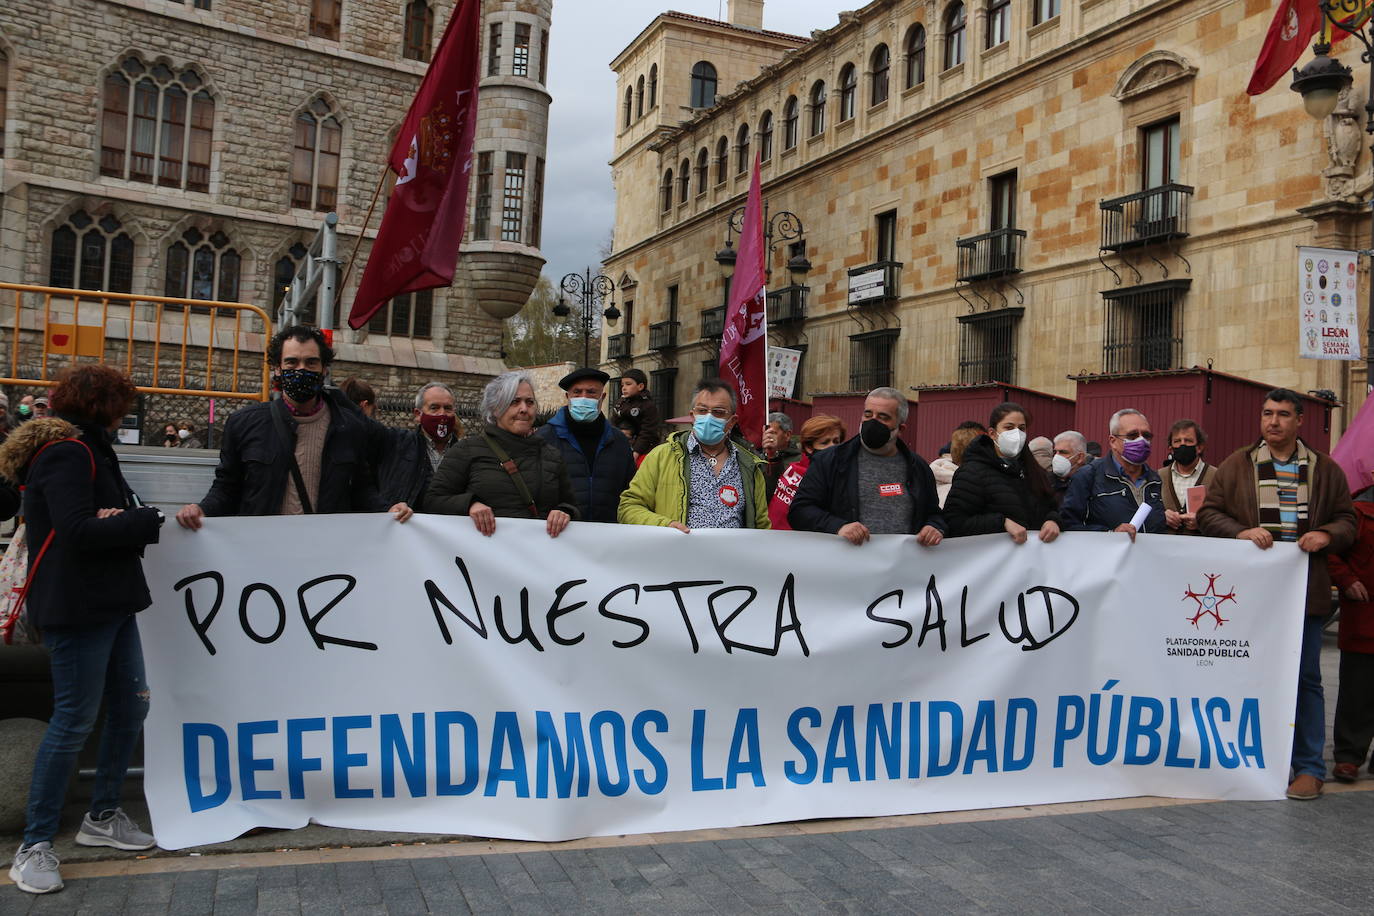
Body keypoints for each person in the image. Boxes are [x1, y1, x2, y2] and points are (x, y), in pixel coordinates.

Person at [0, 365, 165, 895]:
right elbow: (77, 529)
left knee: (131, 705)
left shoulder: (89, 448)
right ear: (102, 405)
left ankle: (103, 815)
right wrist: (141, 521)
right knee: (74, 718)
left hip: (110, 601)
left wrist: (121, 517)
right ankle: (35, 845)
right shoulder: (70, 453)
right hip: (79, 607)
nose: (125, 415)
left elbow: (95, 523)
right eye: (121, 405)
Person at [1199, 388, 1356, 801]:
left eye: (1283, 415)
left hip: (1305, 593)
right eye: (1267, 413)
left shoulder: (1325, 469)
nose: (1273, 422)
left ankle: (1308, 768)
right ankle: (1248, 760)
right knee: (1246, 678)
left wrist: (1326, 534)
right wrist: (1241, 531)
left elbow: (1347, 522)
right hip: (1250, 598)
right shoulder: (1237, 465)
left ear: (1300, 421)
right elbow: (1209, 515)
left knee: (1305, 680)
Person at [176, 325, 410, 528]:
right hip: (260, 549)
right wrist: (201, 510)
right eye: (291, 362)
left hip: (326, 550)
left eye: (311, 362)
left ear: (324, 369)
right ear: (277, 368)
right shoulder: (245, 424)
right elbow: (227, 487)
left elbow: (361, 489)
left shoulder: (350, 427)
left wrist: (388, 510)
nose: (301, 370)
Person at [426, 371, 578, 537]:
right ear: (495, 408)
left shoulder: (552, 456)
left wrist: (564, 512)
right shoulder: (466, 451)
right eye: (514, 402)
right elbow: (432, 501)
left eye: (530, 402)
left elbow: (571, 505)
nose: (524, 409)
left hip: (536, 557)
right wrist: (469, 504)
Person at [788, 387, 944, 547]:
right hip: (847, 565)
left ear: (900, 429)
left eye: (883, 417)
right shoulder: (829, 461)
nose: (872, 421)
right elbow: (800, 511)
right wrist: (837, 527)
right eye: (868, 414)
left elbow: (934, 514)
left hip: (900, 566)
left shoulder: (918, 468)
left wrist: (934, 527)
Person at [618, 378, 769, 530]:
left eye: (718, 412)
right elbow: (628, 507)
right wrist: (665, 525)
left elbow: (761, 524)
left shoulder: (749, 466)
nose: (709, 417)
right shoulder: (661, 457)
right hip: (679, 551)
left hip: (733, 554)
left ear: (732, 421)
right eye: (702, 410)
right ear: (692, 416)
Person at [944, 402, 1061, 544]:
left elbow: (1053, 507)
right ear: (992, 433)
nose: (1017, 433)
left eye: (1022, 428)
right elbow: (955, 521)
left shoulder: (1034, 472)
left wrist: (1053, 520)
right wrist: (1001, 523)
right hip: (995, 561)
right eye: (1009, 427)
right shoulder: (973, 472)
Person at [535, 368, 636, 524]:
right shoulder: (544, 438)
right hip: (557, 536)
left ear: (602, 397)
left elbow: (631, 493)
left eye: (591, 392)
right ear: (567, 397)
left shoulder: (619, 442)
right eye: (577, 392)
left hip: (607, 537)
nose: (584, 397)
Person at [1329, 486, 1374, 784]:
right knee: (1357, 689)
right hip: (1364, 613)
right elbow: (1331, 553)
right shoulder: (1356, 511)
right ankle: (1348, 756)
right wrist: (1347, 581)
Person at [1062, 408, 1165, 537]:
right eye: (1132, 435)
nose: (1141, 441)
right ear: (1113, 441)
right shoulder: (1088, 476)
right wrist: (1110, 534)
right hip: (1106, 556)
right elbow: (1068, 525)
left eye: (1146, 436)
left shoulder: (1155, 479)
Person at [376, 382, 462, 512]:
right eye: (434, 408)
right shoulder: (398, 444)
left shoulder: (465, 452)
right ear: (418, 414)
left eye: (448, 408)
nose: (442, 414)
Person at [768, 414, 845, 530]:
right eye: (825, 443)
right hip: (772, 539)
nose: (832, 448)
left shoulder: (839, 478)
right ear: (809, 447)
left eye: (836, 442)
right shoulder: (792, 468)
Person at [1161, 419, 1217, 536]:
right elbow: (1148, 510)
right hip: (1165, 548)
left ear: (1199, 447)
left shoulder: (1216, 476)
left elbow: (1226, 514)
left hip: (1201, 549)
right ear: (1170, 448)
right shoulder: (1159, 476)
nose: (1182, 444)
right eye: (1177, 441)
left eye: (1188, 440)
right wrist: (1162, 516)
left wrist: (1203, 521)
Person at [613, 368, 661, 459]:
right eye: (622, 385)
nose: (624, 388)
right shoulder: (620, 404)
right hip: (621, 446)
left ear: (640, 386)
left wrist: (636, 451)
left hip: (644, 450)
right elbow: (613, 423)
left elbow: (647, 432)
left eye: (628, 384)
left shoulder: (647, 406)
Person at [761, 412, 802, 498]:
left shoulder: (799, 462)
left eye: (773, 433)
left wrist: (774, 458)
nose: (767, 437)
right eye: (765, 432)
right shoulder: (758, 458)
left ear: (787, 435)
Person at [1051, 429, 1090, 503]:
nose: (1056, 456)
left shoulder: (1090, 485)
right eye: (1055, 452)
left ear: (1080, 457)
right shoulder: (1045, 482)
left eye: (1063, 452)